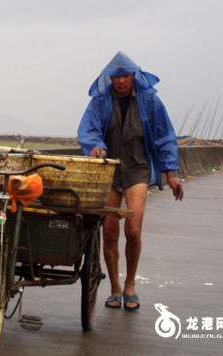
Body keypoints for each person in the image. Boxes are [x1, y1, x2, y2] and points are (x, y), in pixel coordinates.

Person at [77, 51, 183, 312]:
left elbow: (165, 136)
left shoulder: (149, 101)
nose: (121, 81)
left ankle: (130, 284)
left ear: (134, 75)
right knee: (110, 231)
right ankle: (114, 288)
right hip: (110, 172)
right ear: (110, 78)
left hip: (138, 169)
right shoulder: (100, 102)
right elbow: (88, 130)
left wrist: (170, 173)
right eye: (116, 76)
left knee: (133, 230)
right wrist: (96, 146)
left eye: (125, 75)